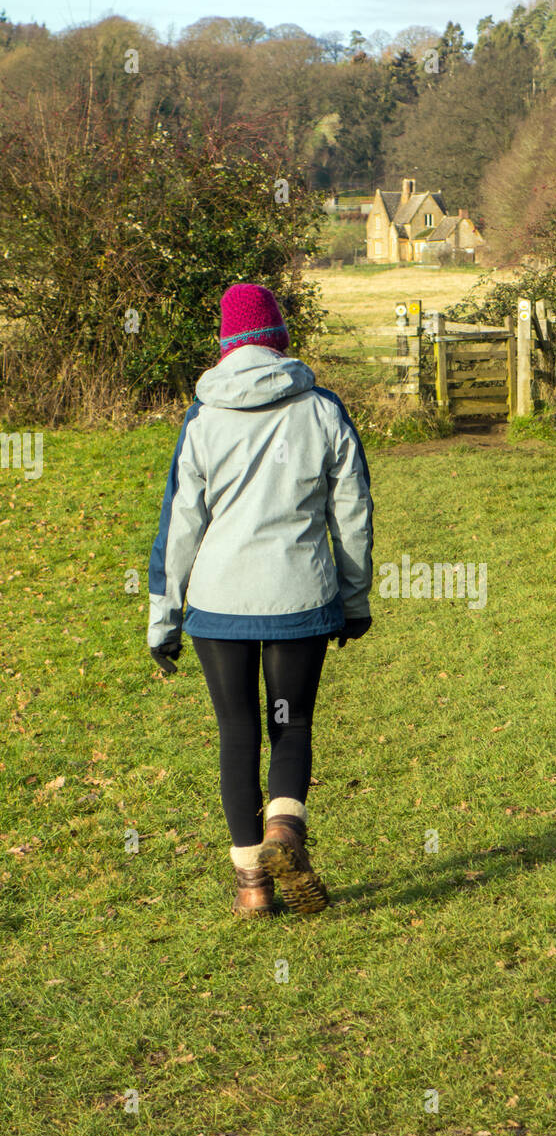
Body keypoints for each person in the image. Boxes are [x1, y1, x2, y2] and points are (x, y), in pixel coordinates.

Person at [146, 283, 373, 917]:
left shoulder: (202, 417)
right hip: (299, 598)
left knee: (236, 731)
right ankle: (284, 833)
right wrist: (353, 600)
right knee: (289, 723)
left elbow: (180, 527)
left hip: (219, 606)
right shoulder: (322, 409)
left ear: (226, 343)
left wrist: (163, 620)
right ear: (277, 338)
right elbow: (352, 515)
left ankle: (252, 888)